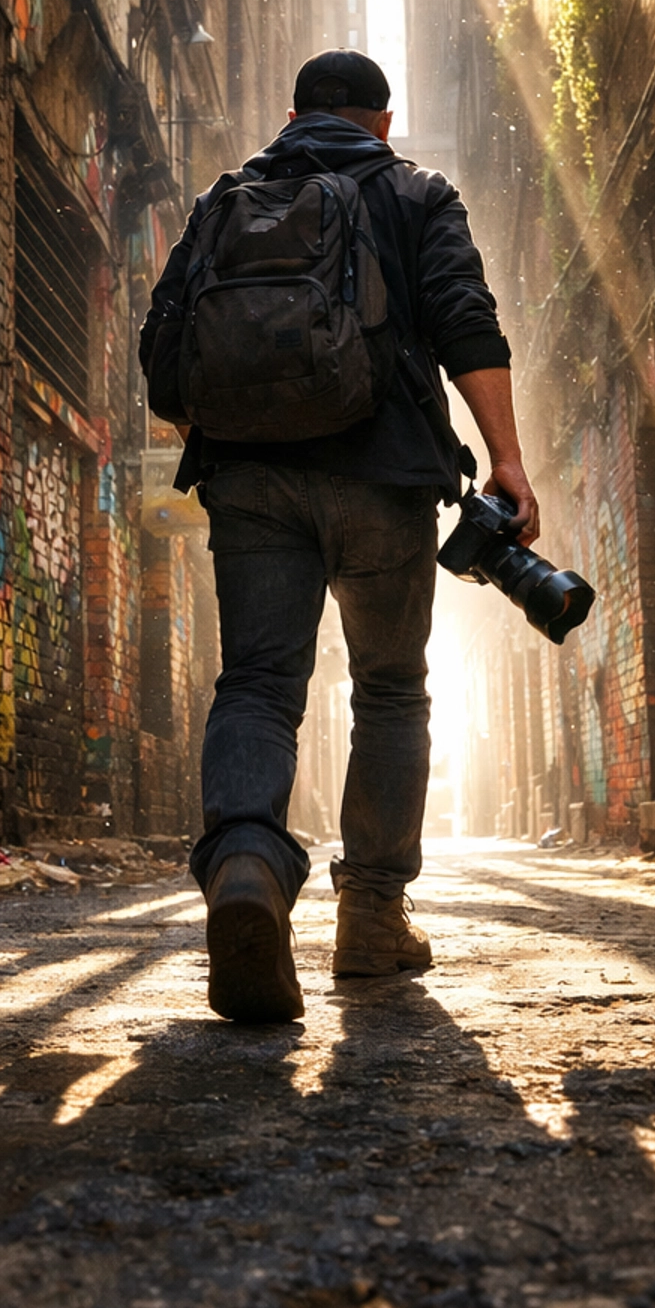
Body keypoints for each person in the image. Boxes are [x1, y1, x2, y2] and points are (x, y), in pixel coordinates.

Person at [139, 51, 537, 1024]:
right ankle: (369, 919)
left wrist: (243, 441)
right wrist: (507, 462)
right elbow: (465, 321)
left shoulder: (224, 199)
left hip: (251, 488)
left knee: (259, 687)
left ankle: (243, 866)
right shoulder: (416, 193)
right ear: (384, 122)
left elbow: (161, 360)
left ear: (290, 114)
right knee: (391, 690)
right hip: (387, 477)